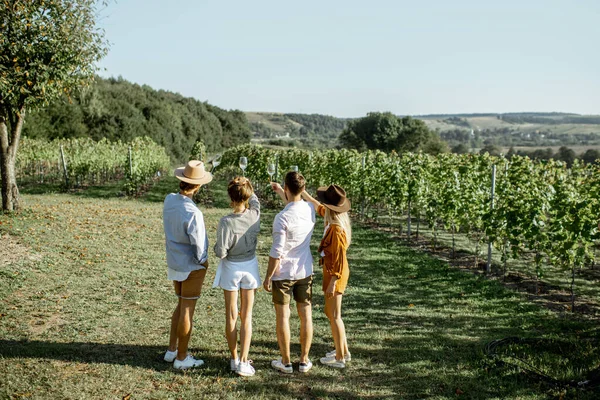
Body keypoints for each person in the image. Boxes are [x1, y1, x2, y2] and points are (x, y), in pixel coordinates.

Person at [263, 171, 316, 374]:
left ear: (286, 188)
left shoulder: (281, 218)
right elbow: (295, 201)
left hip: (283, 273)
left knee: (283, 317)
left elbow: (277, 251)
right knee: (306, 315)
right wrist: (281, 191)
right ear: (303, 189)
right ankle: (303, 360)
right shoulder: (310, 209)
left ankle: (285, 361)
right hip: (304, 270)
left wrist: (268, 276)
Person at [162, 160, 212, 370]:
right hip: (191, 265)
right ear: (198, 186)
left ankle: (172, 349)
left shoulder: (169, 200)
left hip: (174, 262)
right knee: (187, 310)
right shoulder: (193, 213)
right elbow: (199, 245)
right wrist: (204, 262)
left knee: (181, 305)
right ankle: (182, 357)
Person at [213, 177, 261, 377]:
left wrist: (217, 246)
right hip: (249, 267)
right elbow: (256, 201)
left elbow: (221, 252)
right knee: (246, 316)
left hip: (231, 268)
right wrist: (247, 182)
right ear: (247, 196)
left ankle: (233, 358)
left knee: (231, 316)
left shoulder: (226, 222)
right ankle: (243, 360)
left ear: (231, 199)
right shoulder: (255, 215)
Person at [302, 184, 352, 369]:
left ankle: (339, 358)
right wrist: (304, 193)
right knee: (331, 313)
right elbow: (316, 205)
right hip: (332, 272)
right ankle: (343, 350)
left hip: (335, 274)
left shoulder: (337, 230)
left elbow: (339, 260)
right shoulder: (332, 220)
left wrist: (333, 282)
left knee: (335, 315)